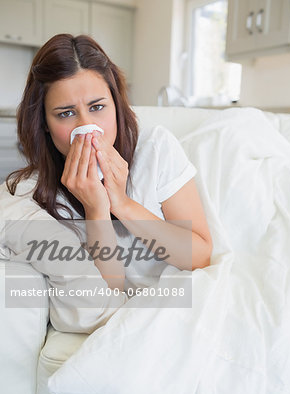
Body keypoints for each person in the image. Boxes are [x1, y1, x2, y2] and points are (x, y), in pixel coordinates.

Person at [0, 34, 212, 333]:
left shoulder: (155, 148)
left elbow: (200, 256)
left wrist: (122, 204)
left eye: (97, 107)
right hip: (124, 322)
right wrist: (96, 208)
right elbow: (109, 296)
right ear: (45, 125)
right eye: (67, 113)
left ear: (116, 104)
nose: (87, 127)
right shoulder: (36, 193)